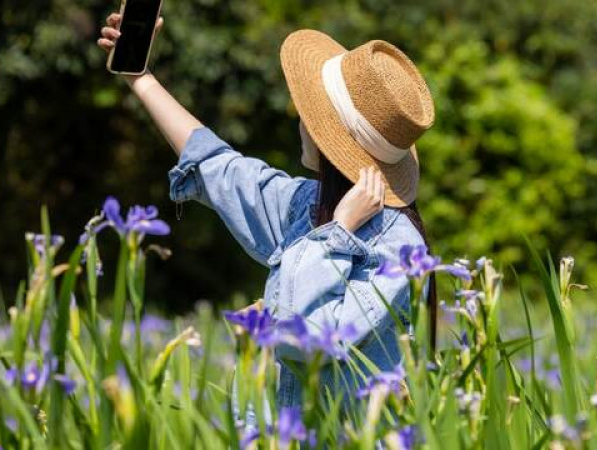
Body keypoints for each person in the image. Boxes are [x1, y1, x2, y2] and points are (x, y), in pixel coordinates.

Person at [96, 14, 438, 409]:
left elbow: (306, 340)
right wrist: (141, 78)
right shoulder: (307, 205)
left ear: (330, 137)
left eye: (311, 113)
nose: (301, 119)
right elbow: (218, 166)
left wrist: (337, 234)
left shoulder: (397, 248)